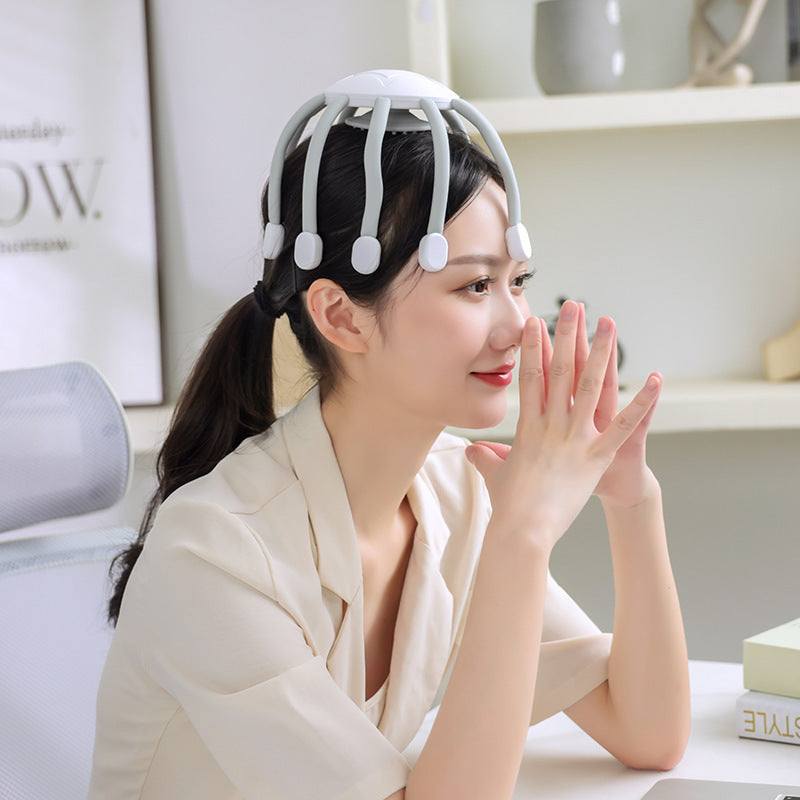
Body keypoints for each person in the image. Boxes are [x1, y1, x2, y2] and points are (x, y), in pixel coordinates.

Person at [87, 117, 661, 799]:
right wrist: (523, 538)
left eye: (518, 282)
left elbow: (648, 729)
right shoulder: (212, 554)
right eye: (476, 287)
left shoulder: (457, 488)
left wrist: (631, 499)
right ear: (340, 317)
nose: (517, 326)